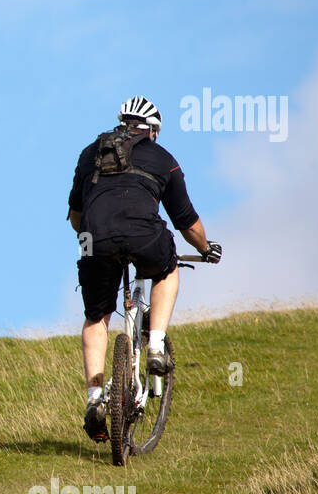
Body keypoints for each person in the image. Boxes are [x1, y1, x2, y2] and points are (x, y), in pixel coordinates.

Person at [66, 96, 222, 442]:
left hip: (95, 238)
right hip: (143, 234)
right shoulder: (164, 159)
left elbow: (76, 215)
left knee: (96, 316)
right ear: (152, 131)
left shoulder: (90, 152)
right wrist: (205, 248)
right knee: (167, 269)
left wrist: (96, 241)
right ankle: (155, 347)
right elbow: (187, 222)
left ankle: (94, 401)